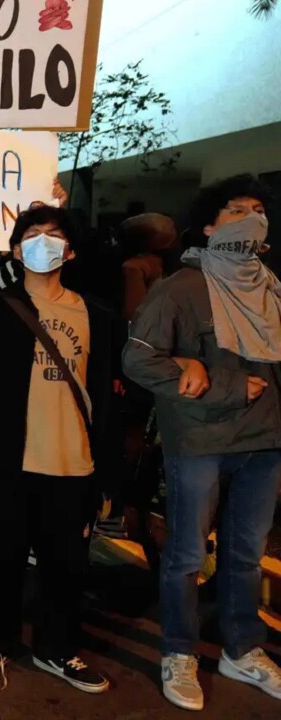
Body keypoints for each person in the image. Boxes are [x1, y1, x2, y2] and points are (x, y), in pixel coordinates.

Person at [123, 175, 281, 712]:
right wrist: (224, 382)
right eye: (236, 210)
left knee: (245, 556)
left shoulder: (272, 287)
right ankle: (179, 651)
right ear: (210, 226)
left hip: (266, 442)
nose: (250, 219)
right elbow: (139, 358)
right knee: (188, 554)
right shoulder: (183, 289)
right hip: (201, 440)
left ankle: (243, 648)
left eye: (258, 210)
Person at [0, 205, 116, 694]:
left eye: (54, 234)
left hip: (73, 461)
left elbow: (107, 395)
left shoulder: (98, 315)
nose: (43, 242)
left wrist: (110, 474)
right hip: (7, 461)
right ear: (15, 250)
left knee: (65, 565)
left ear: (71, 250)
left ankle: (58, 648)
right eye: (31, 235)